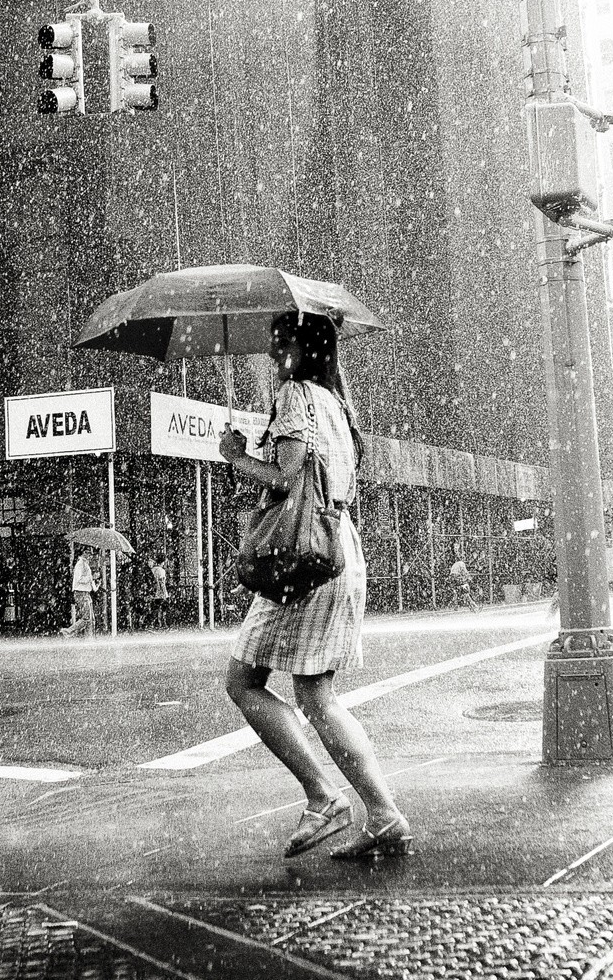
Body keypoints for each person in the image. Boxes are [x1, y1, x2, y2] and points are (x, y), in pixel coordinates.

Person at [218, 311, 412, 861]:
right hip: (335, 546)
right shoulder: (338, 404)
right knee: (312, 692)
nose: (269, 356)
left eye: (275, 346)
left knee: (247, 682)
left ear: (294, 351)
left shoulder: (296, 396)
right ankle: (379, 811)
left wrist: (237, 459)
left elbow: (286, 478)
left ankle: (331, 798)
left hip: (305, 557)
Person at [61, 546, 97, 637]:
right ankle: (69, 631)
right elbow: (78, 579)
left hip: (86, 593)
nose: (90, 555)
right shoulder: (80, 564)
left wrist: (95, 585)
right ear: (84, 553)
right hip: (81, 593)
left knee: (90, 619)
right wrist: (90, 578)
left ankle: (89, 637)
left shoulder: (86, 564)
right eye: (89, 553)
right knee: (86, 618)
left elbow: (89, 580)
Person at [148, 552, 172, 628]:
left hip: (154, 593)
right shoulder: (161, 571)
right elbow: (162, 583)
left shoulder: (152, 570)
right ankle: (164, 624)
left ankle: (155, 623)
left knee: (156, 609)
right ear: (163, 561)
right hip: (160, 593)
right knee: (164, 609)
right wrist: (165, 594)